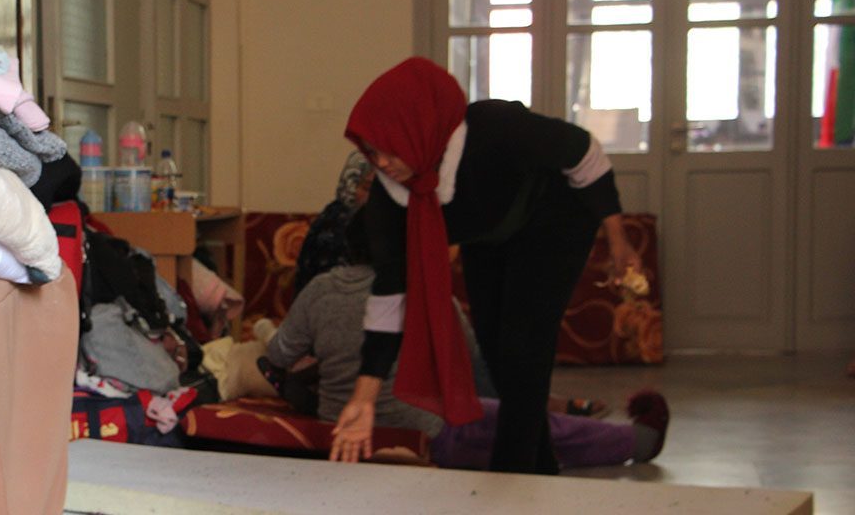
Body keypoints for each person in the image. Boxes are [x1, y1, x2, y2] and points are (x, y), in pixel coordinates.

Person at [331, 57, 642, 474]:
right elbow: (389, 295)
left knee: (522, 350)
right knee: (498, 357)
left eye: (389, 147)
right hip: (490, 237)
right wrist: (363, 397)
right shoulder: (391, 197)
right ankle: (543, 469)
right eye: (372, 152)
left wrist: (618, 241)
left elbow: (584, 152)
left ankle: (510, 482)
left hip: (555, 219)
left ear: (418, 131)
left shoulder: (497, 130)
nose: (382, 163)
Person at [264, 215, 669, 470]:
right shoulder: (424, 292)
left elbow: (278, 355)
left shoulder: (319, 290)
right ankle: (635, 441)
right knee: (527, 423)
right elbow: (479, 372)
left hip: (341, 430)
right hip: (431, 433)